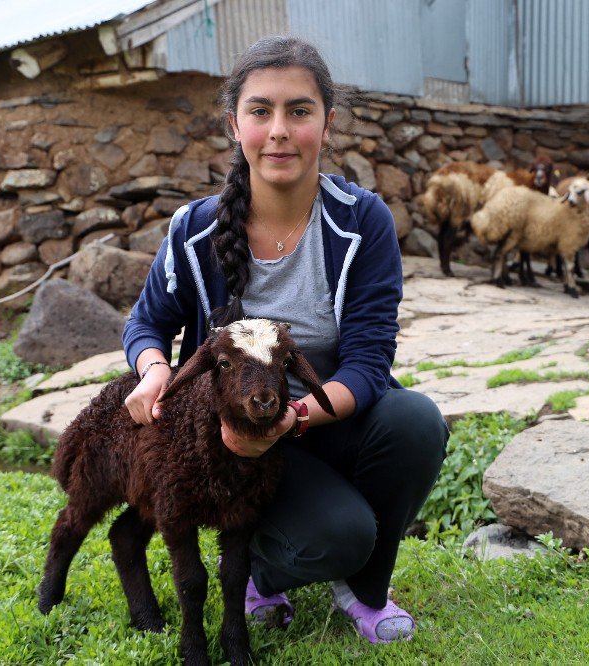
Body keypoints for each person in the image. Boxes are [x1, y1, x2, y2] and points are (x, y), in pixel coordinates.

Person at [122, 36, 448, 644]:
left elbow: (369, 362)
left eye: (299, 111)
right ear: (234, 125)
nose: (279, 130)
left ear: (326, 124)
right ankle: (257, 575)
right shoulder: (194, 231)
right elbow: (147, 323)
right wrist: (152, 368)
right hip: (232, 440)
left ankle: (365, 590)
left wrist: (294, 417)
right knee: (339, 536)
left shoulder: (361, 222)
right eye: (260, 111)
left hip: (322, 420)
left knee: (415, 422)